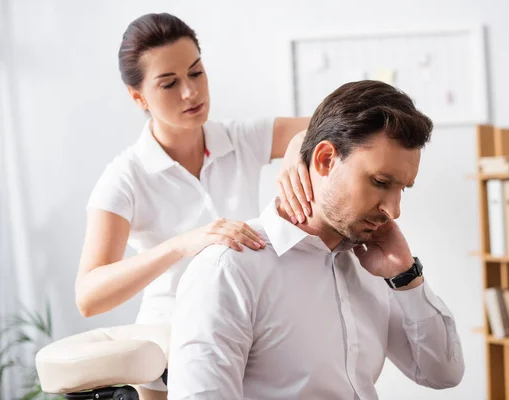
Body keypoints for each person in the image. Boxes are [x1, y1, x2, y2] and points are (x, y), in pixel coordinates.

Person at [168, 80, 465, 399]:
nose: (393, 210)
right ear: (325, 160)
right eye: (380, 182)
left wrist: (406, 277)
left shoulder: (372, 263)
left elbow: (442, 373)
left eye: (402, 189)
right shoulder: (229, 270)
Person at [74, 12, 312, 398]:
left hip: (248, 337)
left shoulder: (241, 139)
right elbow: (88, 296)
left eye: (196, 73)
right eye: (169, 83)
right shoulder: (125, 178)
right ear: (139, 98)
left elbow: (325, 126)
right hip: (168, 355)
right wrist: (182, 244)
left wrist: (294, 151)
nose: (191, 92)